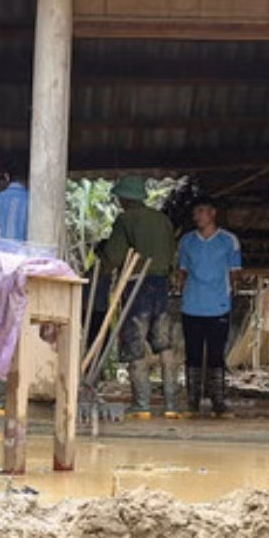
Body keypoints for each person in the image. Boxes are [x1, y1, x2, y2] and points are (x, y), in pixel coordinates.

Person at [104, 175, 181, 418]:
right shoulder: (163, 221)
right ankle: (170, 405)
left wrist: (102, 262)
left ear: (126, 199)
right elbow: (171, 255)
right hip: (161, 285)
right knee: (164, 343)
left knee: (135, 341)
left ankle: (142, 404)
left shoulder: (125, 220)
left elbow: (114, 256)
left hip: (137, 284)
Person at [175, 195, 242, 416]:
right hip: (192, 305)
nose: (197, 216)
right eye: (195, 212)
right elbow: (182, 272)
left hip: (219, 305)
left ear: (213, 213)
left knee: (216, 355)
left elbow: (235, 273)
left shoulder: (229, 241)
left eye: (201, 211)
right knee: (192, 354)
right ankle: (192, 400)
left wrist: (232, 296)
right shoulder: (187, 241)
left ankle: (218, 401)